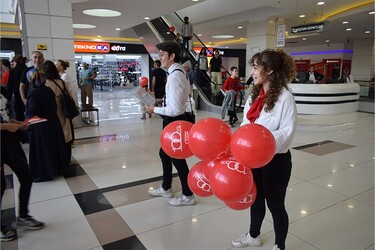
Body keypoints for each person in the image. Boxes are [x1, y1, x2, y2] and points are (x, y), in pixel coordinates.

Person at [231, 49, 297, 250]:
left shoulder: (285, 97)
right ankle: (254, 236)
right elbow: (245, 124)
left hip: (275, 161)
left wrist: (261, 141)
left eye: (255, 67)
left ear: (269, 70)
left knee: (276, 205)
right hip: (253, 160)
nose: (251, 72)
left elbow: (287, 132)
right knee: (255, 199)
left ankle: (280, 245)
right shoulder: (254, 96)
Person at [145, 41, 196, 206]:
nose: (159, 58)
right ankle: (166, 187)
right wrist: (160, 101)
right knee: (164, 153)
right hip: (176, 120)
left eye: (162, 55)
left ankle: (188, 195)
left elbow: (174, 110)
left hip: (175, 121)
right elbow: (177, 101)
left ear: (172, 56)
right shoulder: (177, 72)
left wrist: (155, 109)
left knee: (177, 158)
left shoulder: (175, 76)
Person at [0, 87, 44, 242]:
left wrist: (19, 124)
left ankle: (23, 216)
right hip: (5, 136)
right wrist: (6, 127)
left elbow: (6, 116)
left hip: (9, 141)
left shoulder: (4, 91)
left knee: (26, 175)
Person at [24, 67, 68, 182]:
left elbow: (33, 109)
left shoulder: (33, 92)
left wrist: (26, 113)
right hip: (52, 122)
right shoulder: (48, 90)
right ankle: (56, 168)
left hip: (40, 125)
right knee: (53, 146)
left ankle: (44, 173)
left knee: (42, 149)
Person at [42, 60, 74, 164]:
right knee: (66, 134)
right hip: (64, 111)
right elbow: (69, 93)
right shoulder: (60, 82)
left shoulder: (45, 83)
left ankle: (57, 159)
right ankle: (66, 158)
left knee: (55, 136)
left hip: (52, 112)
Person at [7, 55, 28, 121]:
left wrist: (8, 99)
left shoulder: (12, 71)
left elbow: (10, 87)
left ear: (15, 62)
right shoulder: (28, 69)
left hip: (18, 97)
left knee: (20, 117)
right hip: (28, 96)